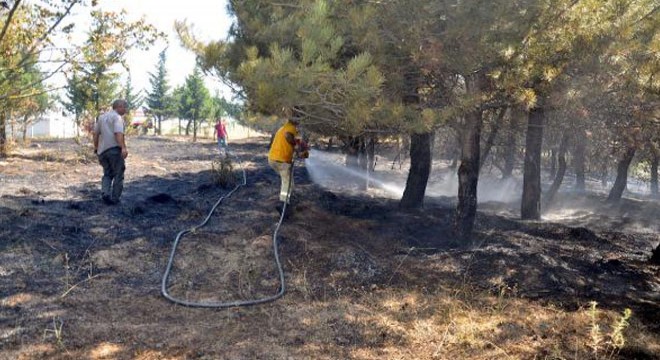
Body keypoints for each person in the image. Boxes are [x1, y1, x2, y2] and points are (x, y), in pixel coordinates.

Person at [93, 99, 129, 205]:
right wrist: (123, 148)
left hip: (102, 151)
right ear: (119, 106)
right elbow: (118, 133)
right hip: (114, 150)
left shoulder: (102, 117)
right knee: (118, 173)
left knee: (107, 173)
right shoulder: (117, 117)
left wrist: (96, 147)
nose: (126, 110)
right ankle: (115, 199)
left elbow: (95, 134)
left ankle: (105, 193)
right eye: (125, 107)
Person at [268, 108, 302, 215]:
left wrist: (298, 146)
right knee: (286, 181)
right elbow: (289, 136)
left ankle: (289, 198)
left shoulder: (282, 128)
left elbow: (288, 139)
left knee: (288, 179)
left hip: (272, 159)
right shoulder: (291, 129)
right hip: (282, 161)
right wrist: (296, 147)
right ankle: (283, 205)